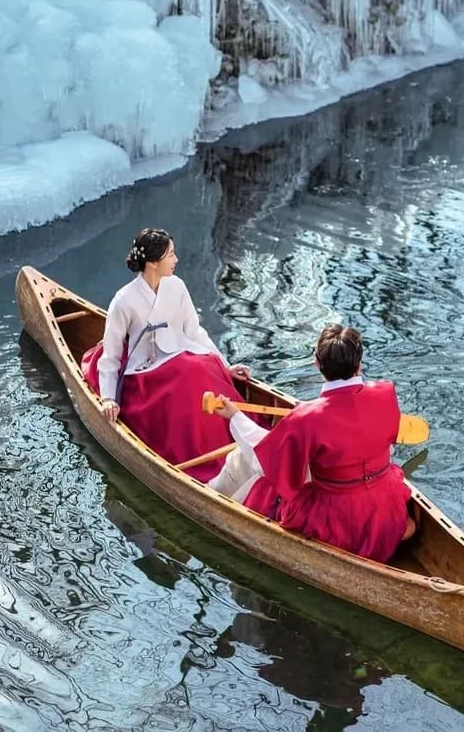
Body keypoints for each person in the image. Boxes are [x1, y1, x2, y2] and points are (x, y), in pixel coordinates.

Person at [208, 324, 415, 563]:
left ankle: (212, 495)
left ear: (317, 363)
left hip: (336, 518)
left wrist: (235, 417)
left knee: (262, 479)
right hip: (385, 504)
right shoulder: (386, 392)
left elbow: (266, 462)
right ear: (359, 363)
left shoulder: (307, 417)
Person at [81, 228, 250, 482]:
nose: (176, 259)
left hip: (178, 356)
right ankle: (198, 456)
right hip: (143, 373)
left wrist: (226, 367)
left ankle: (236, 440)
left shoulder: (177, 286)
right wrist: (107, 398)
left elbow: (194, 331)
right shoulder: (124, 300)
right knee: (187, 374)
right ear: (152, 262)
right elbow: (112, 355)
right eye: (171, 255)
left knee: (207, 366)